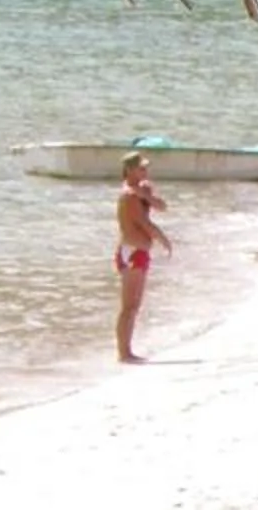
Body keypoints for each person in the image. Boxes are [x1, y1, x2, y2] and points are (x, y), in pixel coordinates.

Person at [113, 153, 172, 362]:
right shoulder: (128, 196)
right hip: (131, 252)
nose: (145, 172)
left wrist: (145, 194)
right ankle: (123, 353)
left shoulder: (141, 191)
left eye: (146, 168)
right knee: (129, 306)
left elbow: (162, 206)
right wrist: (163, 239)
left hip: (140, 252)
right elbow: (143, 223)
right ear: (130, 170)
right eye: (141, 168)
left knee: (135, 305)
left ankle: (127, 350)